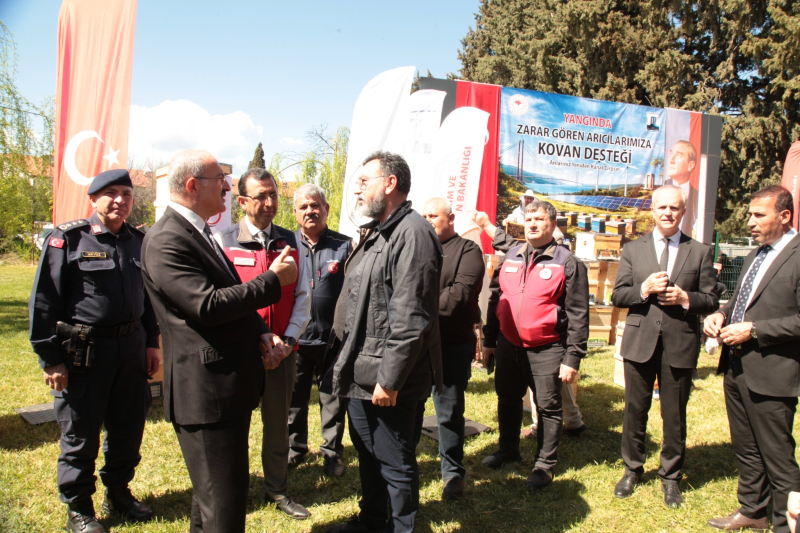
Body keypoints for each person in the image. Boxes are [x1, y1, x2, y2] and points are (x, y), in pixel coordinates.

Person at [141, 150, 297, 533]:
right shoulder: (166, 239)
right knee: (224, 507)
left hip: (224, 389)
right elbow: (206, 306)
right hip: (205, 394)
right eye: (220, 180)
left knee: (212, 498)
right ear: (193, 185)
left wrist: (260, 334)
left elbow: (227, 297)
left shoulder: (198, 232)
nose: (228, 187)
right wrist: (272, 281)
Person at [29, 169, 160, 533]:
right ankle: (80, 508)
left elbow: (147, 299)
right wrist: (51, 358)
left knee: (129, 426)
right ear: (94, 199)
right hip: (84, 351)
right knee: (80, 432)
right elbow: (43, 302)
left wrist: (151, 342)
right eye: (112, 193)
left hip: (132, 348)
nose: (120, 200)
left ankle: (118, 491)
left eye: (127, 194)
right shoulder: (68, 239)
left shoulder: (138, 241)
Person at [326, 151, 443, 533]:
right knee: (369, 454)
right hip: (363, 371)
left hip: (387, 378)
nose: (357, 190)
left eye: (364, 181)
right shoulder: (381, 229)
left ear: (390, 183)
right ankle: (373, 520)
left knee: (394, 460)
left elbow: (411, 317)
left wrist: (390, 380)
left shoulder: (413, 234)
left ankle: (401, 527)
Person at [610, 185, 718, 508]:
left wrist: (686, 299)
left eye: (675, 208)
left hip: (679, 342)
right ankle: (632, 469)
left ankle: (671, 477)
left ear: (683, 212)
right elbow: (617, 296)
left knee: (674, 415)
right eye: (662, 208)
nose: (668, 213)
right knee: (634, 409)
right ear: (652, 211)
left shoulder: (699, 251)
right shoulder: (633, 249)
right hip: (640, 342)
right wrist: (642, 289)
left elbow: (711, 299)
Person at [215, 168, 311, 520]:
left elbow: (303, 296)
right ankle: (233, 491)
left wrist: (287, 341)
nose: (270, 203)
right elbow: (222, 300)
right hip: (240, 353)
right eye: (261, 196)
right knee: (234, 427)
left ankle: (278, 489)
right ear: (242, 201)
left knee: (277, 426)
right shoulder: (223, 240)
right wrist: (256, 338)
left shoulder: (291, 240)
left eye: (274, 194)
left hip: (282, 353)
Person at [704, 185, 800, 533]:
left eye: (759, 215)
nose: (750, 222)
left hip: (774, 372)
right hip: (737, 366)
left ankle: (786, 524)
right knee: (746, 447)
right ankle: (752, 510)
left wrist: (755, 330)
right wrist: (721, 314)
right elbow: (743, 301)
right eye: (749, 214)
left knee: (777, 455)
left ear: (784, 216)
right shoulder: (755, 255)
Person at [481, 200, 589, 489]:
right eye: (529, 219)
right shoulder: (512, 255)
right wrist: (490, 340)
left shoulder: (568, 262)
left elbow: (579, 315)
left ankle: (544, 464)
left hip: (547, 348)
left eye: (539, 219)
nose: (532, 224)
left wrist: (572, 358)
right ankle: (508, 450)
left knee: (548, 407)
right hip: (507, 345)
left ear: (552, 225)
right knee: (507, 398)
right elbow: (495, 299)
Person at [418, 197, 484, 500]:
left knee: (449, 411)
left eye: (434, 215)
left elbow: (458, 297)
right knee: (410, 408)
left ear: (451, 218)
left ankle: (453, 474)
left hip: (451, 345)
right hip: (416, 344)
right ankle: (405, 466)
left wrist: (414, 304)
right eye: (425, 215)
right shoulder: (417, 248)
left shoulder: (468, 251)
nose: (428, 220)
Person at [286, 183, 352, 478]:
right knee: (294, 399)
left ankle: (332, 452)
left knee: (333, 398)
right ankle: (294, 449)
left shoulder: (345, 245)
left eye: (316, 205)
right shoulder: (286, 245)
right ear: (296, 213)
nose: (310, 211)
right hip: (296, 339)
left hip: (332, 340)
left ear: (326, 208)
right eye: (304, 207)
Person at [665, 140, 698, 236]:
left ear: (690, 166)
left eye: (679, 155)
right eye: (671, 154)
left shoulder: (699, 198)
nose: (671, 160)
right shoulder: (658, 191)